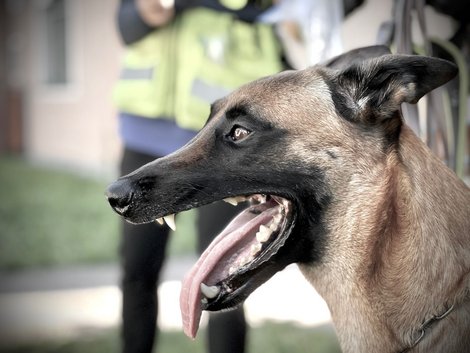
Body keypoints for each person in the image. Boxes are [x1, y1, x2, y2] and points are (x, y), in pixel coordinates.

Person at [112, 1, 285, 353]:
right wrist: (145, 12)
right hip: (145, 136)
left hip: (223, 144)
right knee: (136, 270)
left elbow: (252, 6)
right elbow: (126, 23)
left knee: (222, 277)